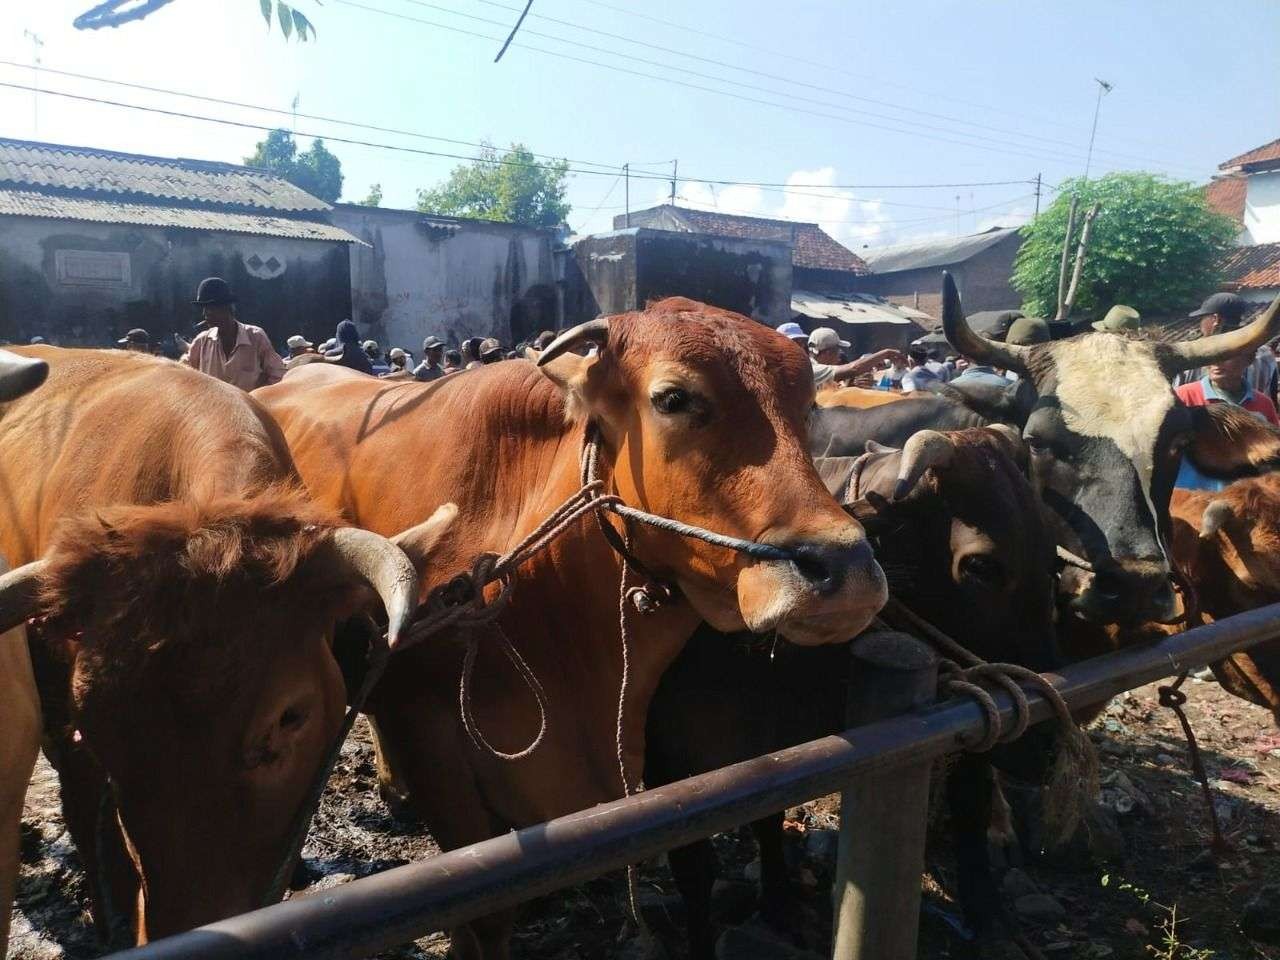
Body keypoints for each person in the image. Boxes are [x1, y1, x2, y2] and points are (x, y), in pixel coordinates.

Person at [1174, 349, 1280, 490]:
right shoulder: (1182, 396)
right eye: (1211, 356)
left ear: (1249, 360)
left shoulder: (1263, 403)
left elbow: (1272, 454)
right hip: (1190, 500)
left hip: (1245, 499)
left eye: (1225, 356)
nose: (1215, 362)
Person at [184, 277, 285, 390]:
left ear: (227, 308)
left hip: (249, 406)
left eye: (211, 308)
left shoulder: (256, 337)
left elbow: (277, 374)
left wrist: (258, 398)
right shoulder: (201, 341)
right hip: (211, 406)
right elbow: (182, 372)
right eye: (204, 308)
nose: (206, 314)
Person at [1173, 294, 1272, 392]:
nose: (1201, 324)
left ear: (1216, 319)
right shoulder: (1265, 353)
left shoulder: (1194, 351)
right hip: (1255, 407)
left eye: (1203, 318)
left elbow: (1174, 395)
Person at [807, 327, 903, 390]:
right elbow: (854, 368)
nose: (839, 355)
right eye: (837, 350)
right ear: (828, 353)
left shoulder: (815, 368)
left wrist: (849, 386)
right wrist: (885, 354)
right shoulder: (812, 369)